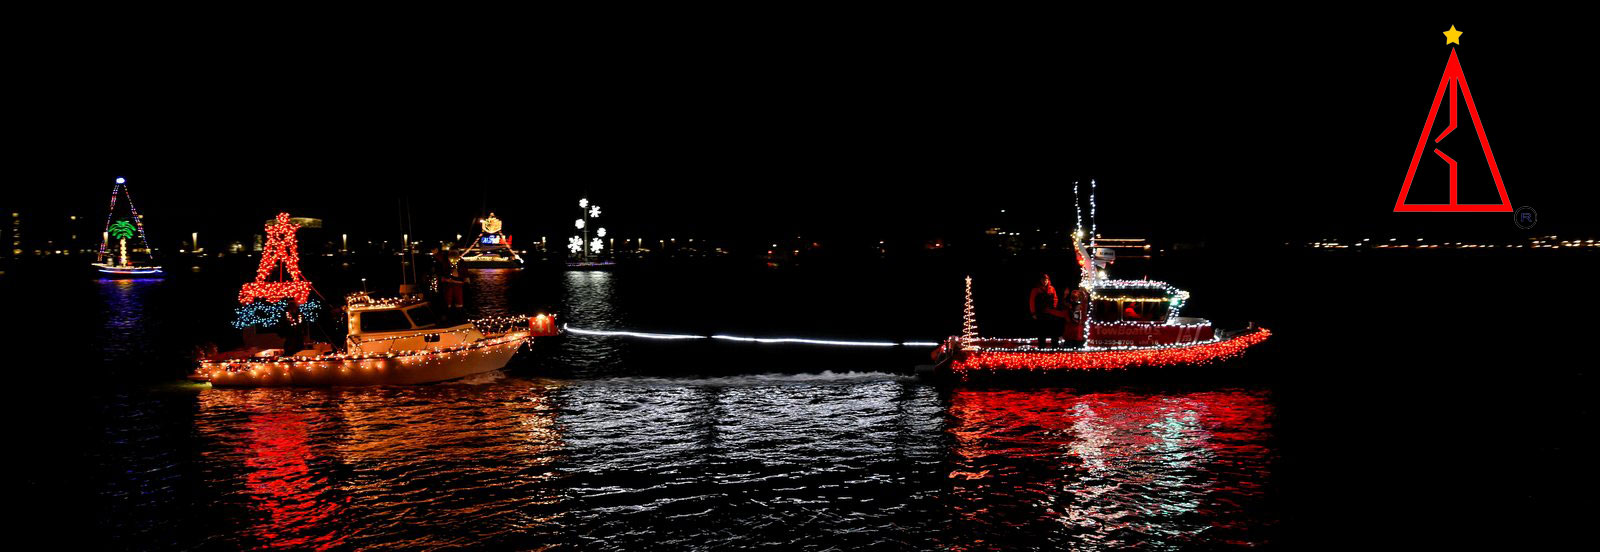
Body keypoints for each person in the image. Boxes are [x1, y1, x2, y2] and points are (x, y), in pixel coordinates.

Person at [1028, 273, 1061, 348]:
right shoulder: (1035, 289)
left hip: (1050, 312)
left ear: (1048, 280)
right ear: (1040, 280)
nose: (1044, 281)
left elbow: (1055, 299)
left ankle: (1055, 344)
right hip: (1040, 312)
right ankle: (1042, 345)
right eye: (1043, 280)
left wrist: (1053, 308)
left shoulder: (1052, 288)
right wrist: (1033, 313)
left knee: (1053, 329)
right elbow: (1031, 301)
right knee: (1042, 329)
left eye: (1046, 280)